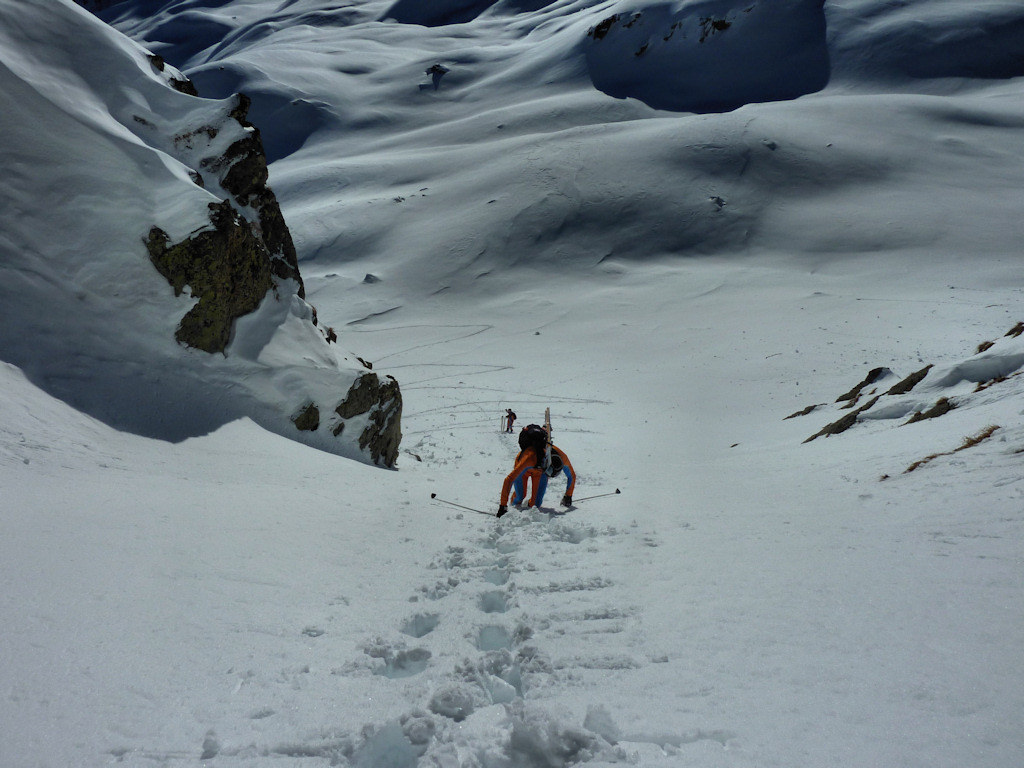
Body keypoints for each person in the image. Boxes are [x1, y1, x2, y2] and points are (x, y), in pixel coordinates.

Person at [498, 426, 576, 517]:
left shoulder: (562, 457)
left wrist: (568, 496)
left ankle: (528, 508)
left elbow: (572, 476)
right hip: (524, 469)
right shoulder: (529, 458)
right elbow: (509, 479)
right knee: (520, 496)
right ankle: (514, 508)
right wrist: (503, 505)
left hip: (540, 472)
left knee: (536, 504)